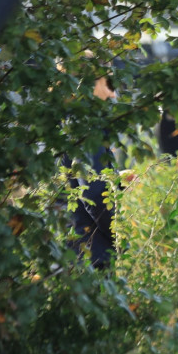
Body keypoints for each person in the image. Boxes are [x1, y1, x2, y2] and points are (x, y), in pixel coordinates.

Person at [64, 74, 118, 270]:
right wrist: (122, 232)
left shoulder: (73, 122)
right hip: (95, 255)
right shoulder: (86, 127)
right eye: (109, 84)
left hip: (86, 250)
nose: (113, 95)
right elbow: (94, 193)